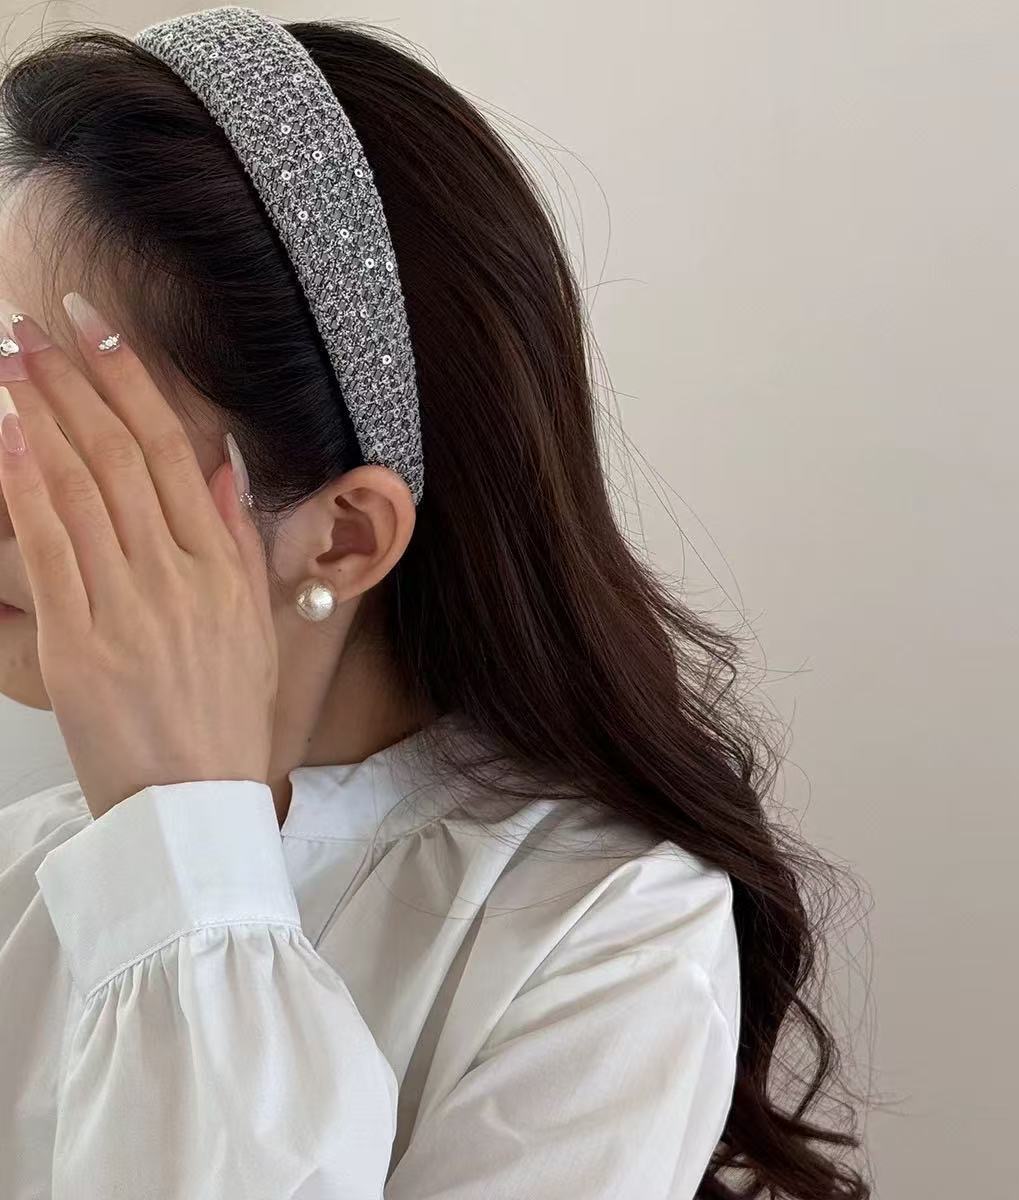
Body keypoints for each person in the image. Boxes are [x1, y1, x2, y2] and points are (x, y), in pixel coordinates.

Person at [0, 8, 866, 1199]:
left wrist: (185, 858)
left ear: (345, 535)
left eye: (67, 438)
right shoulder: (26, 870)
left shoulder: (604, 934)